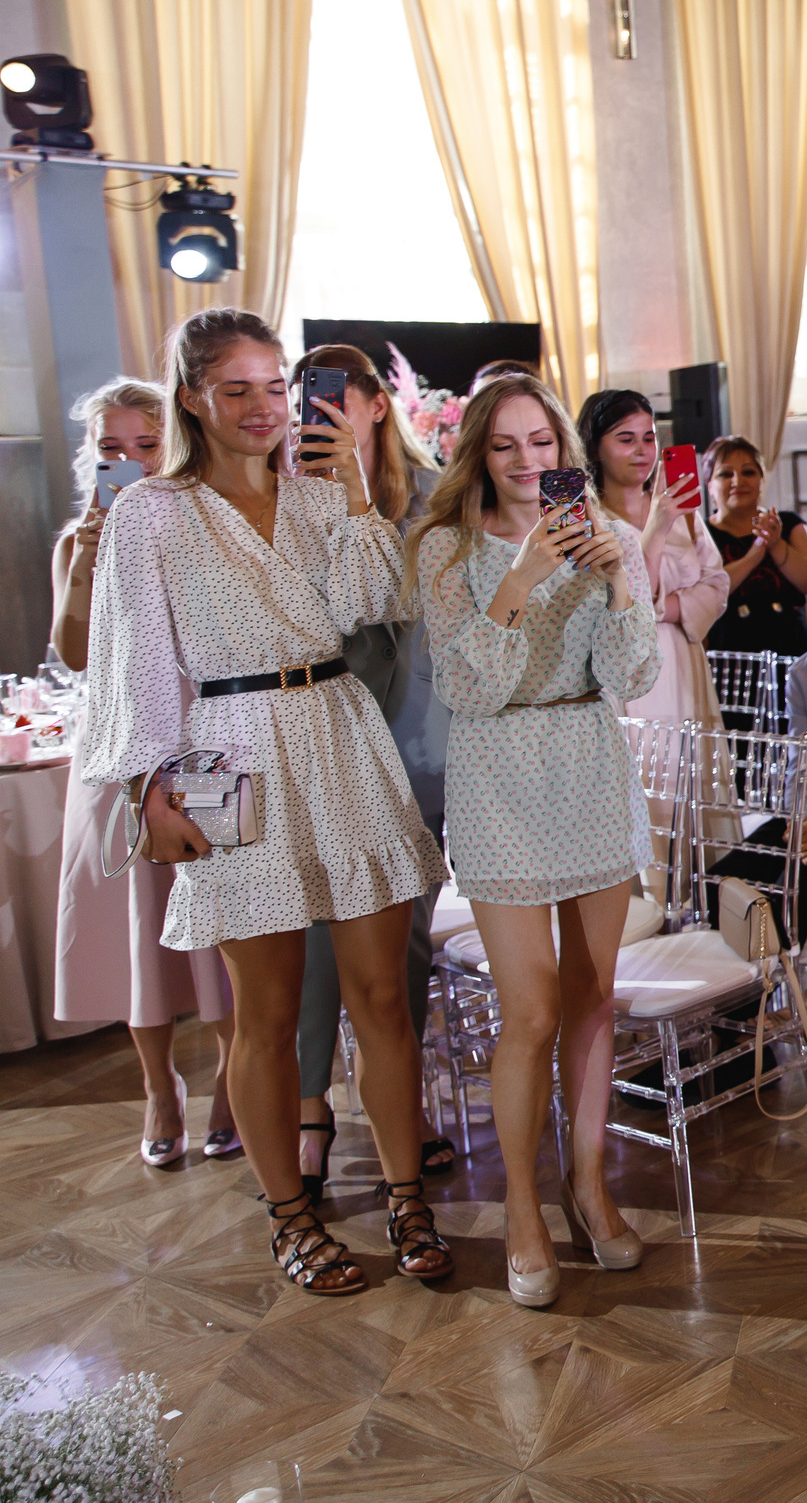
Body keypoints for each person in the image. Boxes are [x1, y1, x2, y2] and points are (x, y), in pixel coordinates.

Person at [78, 308, 452, 1297]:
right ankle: (292, 1216)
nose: (259, 408)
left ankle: (408, 1191)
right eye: (235, 389)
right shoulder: (151, 514)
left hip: (337, 729)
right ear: (194, 395)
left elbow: (380, 602)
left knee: (381, 999)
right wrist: (148, 784)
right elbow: (138, 660)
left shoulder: (321, 498)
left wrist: (359, 481)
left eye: (272, 387)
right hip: (224, 750)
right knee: (267, 1013)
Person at [410, 374, 659, 1307]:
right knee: (534, 1011)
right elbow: (470, 688)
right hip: (499, 781)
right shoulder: (445, 549)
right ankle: (522, 1206)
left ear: (565, 449)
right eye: (506, 445)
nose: (528, 462)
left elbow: (630, 673)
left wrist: (619, 577)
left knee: (594, 998)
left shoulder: (614, 537)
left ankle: (587, 1187)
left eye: (542, 442)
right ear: (479, 453)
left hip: (590, 767)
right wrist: (520, 580)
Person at [51, 379, 239, 1168]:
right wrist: (91, 563)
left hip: (199, 732)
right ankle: (160, 1086)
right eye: (112, 450)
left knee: (228, 922)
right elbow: (72, 653)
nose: (128, 461)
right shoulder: (77, 541)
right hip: (115, 742)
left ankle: (233, 1086)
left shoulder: (206, 523)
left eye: (145, 445)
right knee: (137, 929)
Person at [282, 345, 454, 1196]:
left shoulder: (436, 500)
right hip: (327, 736)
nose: (315, 415)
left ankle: (404, 1103)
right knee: (317, 921)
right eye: (300, 400)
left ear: (378, 405)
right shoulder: (294, 503)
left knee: (408, 936)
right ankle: (310, 1099)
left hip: (420, 742)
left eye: (332, 399)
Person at [710, 541, 807, 960]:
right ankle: (726, 1009)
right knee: (722, 881)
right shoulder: (805, 672)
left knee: (790, 896)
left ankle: (768, 1017)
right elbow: (804, 769)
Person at [578, 388, 725, 733]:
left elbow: (716, 583)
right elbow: (613, 602)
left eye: (649, 439)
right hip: (626, 669)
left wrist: (665, 608)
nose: (642, 451)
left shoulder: (683, 510)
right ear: (595, 446)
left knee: (690, 767)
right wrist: (656, 528)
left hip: (683, 659)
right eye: (626, 439)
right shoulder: (588, 520)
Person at [704, 435, 807, 666]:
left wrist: (776, 544)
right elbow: (705, 593)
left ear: (761, 480)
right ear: (709, 486)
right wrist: (755, 553)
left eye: (748, 472)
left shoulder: (788, 523)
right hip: (731, 662)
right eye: (725, 474)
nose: (738, 481)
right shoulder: (700, 534)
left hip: (790, 653)